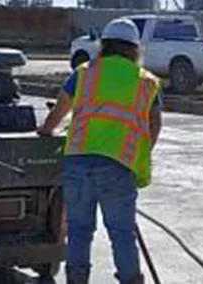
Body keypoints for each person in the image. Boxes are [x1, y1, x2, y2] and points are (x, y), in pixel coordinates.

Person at [37, 18, 163, 284]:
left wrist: (46, 131)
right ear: (134, 49)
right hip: (119, 166)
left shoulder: (84, 72)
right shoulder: (147, 82)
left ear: (103, 45)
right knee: (122, 233)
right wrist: (140, 154)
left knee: (79, 231)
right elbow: (154, 124)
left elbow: (58, 111)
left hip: (79, 163)